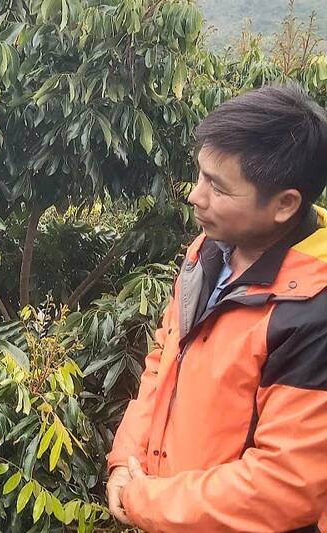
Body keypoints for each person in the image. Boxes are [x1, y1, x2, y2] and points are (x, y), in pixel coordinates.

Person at [106, 84, 327, 532]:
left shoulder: (310, 314)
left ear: (284, 205)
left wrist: (144, 499)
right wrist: (125, 462)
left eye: (218, 187)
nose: (195, 195)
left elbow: (283, 486)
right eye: (201, 174)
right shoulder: (209, 253)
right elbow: (162, 365)